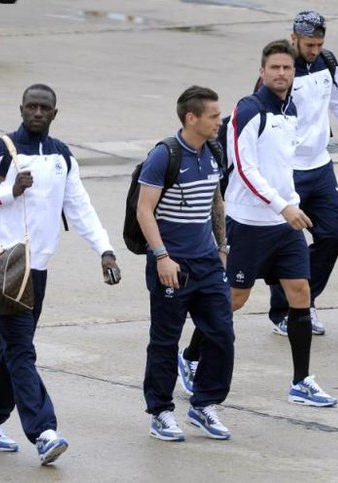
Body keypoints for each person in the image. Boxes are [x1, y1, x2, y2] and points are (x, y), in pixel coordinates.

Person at [0, 84, 122, 464]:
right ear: (20, 109)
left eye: (43, 108)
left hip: (38, 267)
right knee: (20, 348)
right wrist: (7, 192)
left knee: (10, 347)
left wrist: (105, 249)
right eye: (30, 106)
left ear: (54, 113)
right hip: (1, 264)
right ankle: (44, 431)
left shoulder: (62, 155)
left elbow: (79, 205)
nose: (36, 112)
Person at [214, 39, 336, 407]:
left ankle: (301, 381)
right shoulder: (247, 111)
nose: (281, 73)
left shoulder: (292, 110)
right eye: (275, 68)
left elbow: (284, 166)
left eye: (287, 68)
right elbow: (244, 170)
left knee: (300, 292)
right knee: (234, 299)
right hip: (250, 221)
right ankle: (190, 357)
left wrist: (290, 204)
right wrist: (283, 206)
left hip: (284, 222)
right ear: (262, 72)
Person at [266, 10, 338, 336]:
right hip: (288, 170)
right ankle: (283, 312)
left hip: (320, 167)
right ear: (294, 38)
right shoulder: (281, 69)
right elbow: (262, 116)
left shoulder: (328, 63)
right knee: (285, 243)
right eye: (309, 44)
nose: (314, 50)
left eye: (319, 44)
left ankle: (305, 301)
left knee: (331, 236)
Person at [137, 85, 234, 442]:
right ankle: (160, 411)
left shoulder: (214, 149)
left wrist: (222, 247)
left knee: (221, 334)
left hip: (208, 262)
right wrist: (161, 256)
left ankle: (204, 404)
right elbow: (144, 209)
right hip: (172, 265)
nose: (219, 122)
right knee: (165, 341)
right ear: (191, 118)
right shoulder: (165, 155)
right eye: (213, 116)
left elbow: (216, 200)